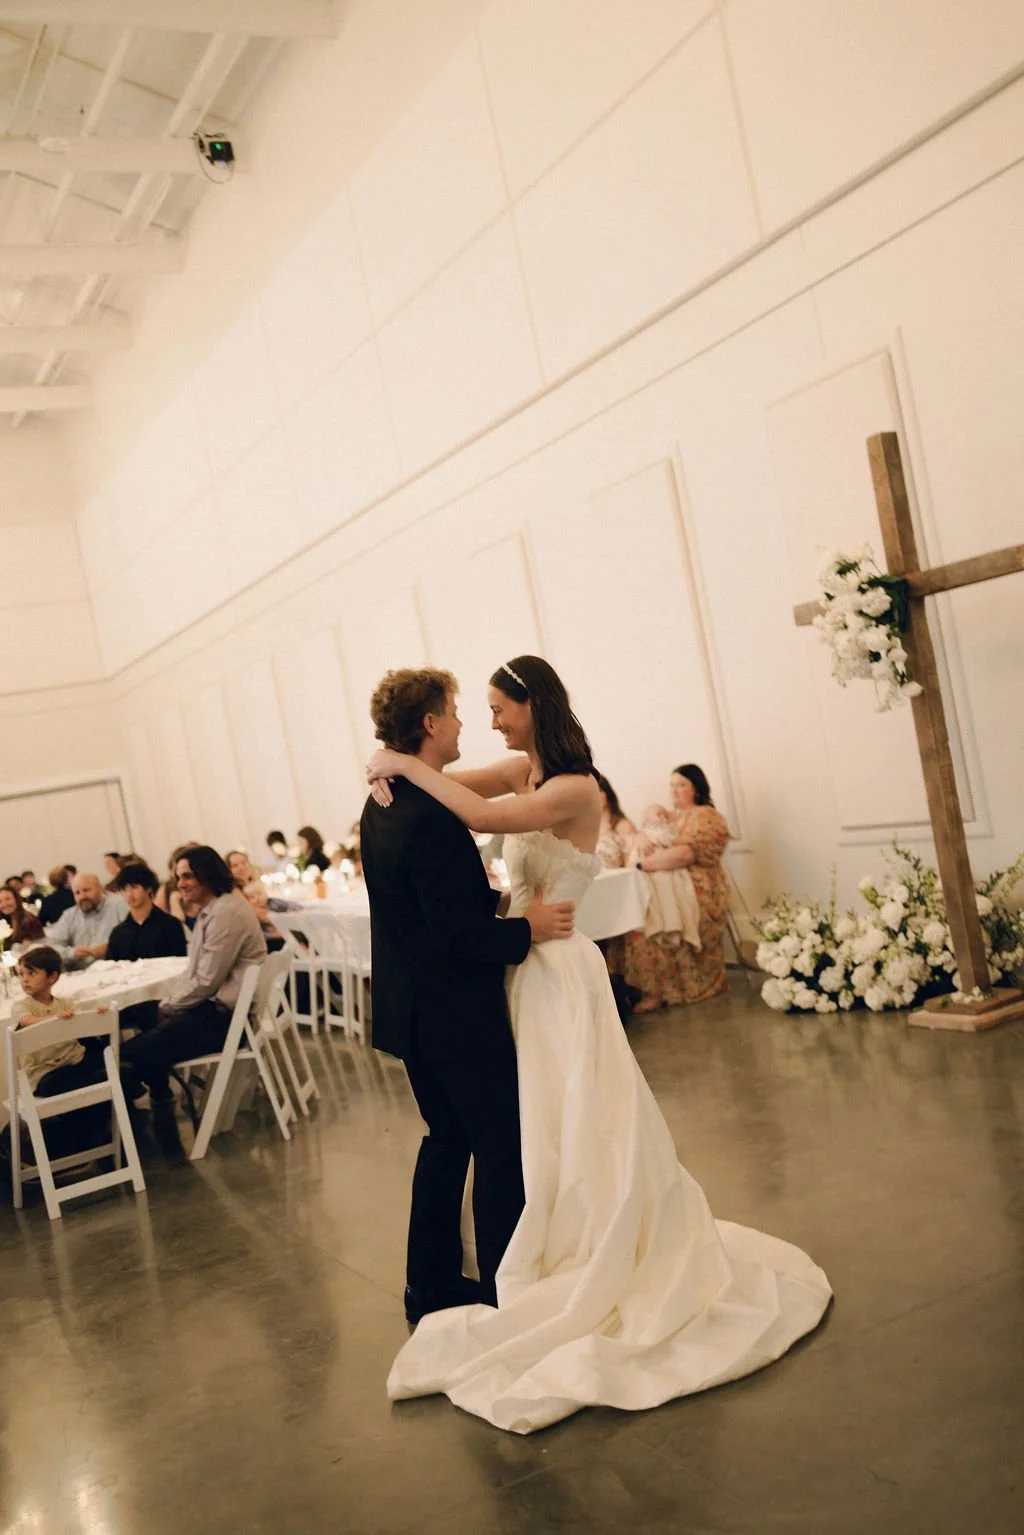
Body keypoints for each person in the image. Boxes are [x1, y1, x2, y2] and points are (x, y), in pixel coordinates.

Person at [366, 654, 830, 1434]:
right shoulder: (520, 765)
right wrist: (401, 762)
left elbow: (478, 818)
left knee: (574, 1112)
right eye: (470, 708)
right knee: (525, 1123)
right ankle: (532, 1247)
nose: (487, 721)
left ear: (529, 704)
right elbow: (466, 786)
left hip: (555, 968)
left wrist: (398, 760)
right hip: (517, 969)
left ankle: (568, 1246)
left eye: (497, 707)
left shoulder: (574, 787)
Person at [360, 667, 574, 1327]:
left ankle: (427, 1286)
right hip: (454, 1012)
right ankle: (507, 1287)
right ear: (429, 723)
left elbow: (428, 907)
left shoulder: (385, 801)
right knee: (497, 1141)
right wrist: (524, 929)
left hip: (412, 1010)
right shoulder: (431, 818)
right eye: (454, 711)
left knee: (445, 1139)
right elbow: (456, 935)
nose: (461, 723)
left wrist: (492, 901)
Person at [120, 846, 267, 1110]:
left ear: (207, 875)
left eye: (187, 876)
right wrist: (169, 1005)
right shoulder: (212, 910)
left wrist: (168, 1006)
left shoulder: (225, 913)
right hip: (214, 1012)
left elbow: (206, 980)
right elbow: (196, 974)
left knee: (127, 1054)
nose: (180, 884)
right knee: (127, 1017)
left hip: (222, 1021)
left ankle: (119, 1106)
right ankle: (140, 1088)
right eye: (178, 877)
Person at [623, 764, 732, 1013]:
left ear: (696, 788)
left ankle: (663, 991)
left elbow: (685, 855)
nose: (675, 790)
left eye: (681, 785)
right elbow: (647, 833)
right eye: (672, 785)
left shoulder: (706, 816)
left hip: (698, 885)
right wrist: (640, 837)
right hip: (663, 879)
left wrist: (642, 864)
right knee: (642, 909)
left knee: (652, 915)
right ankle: (649, 987)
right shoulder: (668, 817)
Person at [11, 946, 110, 1159]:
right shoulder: (22, 1005)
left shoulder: (65, 1003)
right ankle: (103, 1084)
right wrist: (54, 1020)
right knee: (53, 1085)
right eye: (21, 974)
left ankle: (92, 1134)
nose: (24, 980)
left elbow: (82, 1021)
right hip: (43, 1072)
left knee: (97, 1054)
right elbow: (26, 1021)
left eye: (31, 973)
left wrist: (98, 1015)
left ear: (52, 976)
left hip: (72, 1062)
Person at [107, 862, 189, 1033]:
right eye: (124, 889)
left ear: (148, 889)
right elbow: (111, 971)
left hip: (164, 998)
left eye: (134, 887)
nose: (129, 894)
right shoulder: (118, 933)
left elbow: (179, 966)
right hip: (128, 1001)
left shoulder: (170, 925)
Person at [45, 874, 127, 969]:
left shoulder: (119, 906)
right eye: (77, 893)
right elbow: (51, 948)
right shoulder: (69, 915)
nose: (82, 896)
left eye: (86, 890)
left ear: (100, 888)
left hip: (116, 968)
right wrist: (72, 953)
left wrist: (111, 948)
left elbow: (133, 937)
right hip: (80, 972)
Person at [594, 773, 637, 868]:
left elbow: (632, 865)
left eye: (597, 791)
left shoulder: (623, 826)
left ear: (605, 795)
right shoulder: (587, 829)